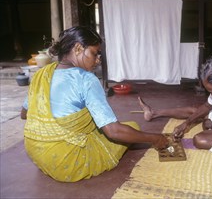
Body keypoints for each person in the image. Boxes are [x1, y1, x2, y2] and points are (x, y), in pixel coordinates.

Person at [21, 26, 169, 182]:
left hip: (35, 151)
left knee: (94, 125)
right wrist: (155, 138)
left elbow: (24, 114)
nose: (98, 60)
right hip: (65, 161)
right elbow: (113, 131)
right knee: (132, 127)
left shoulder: (41, 74)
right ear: (78, 48)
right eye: (94, 53)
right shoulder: (86, 79)